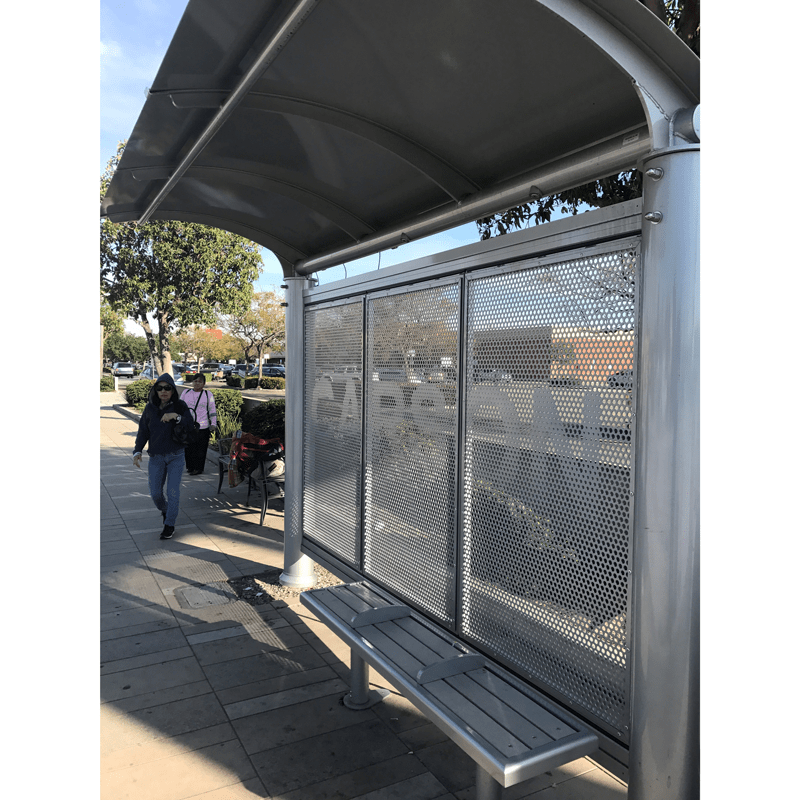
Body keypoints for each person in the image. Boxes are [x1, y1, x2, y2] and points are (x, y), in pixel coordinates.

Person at [132, 373, 193, 540]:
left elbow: (190, 423)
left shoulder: (180, 406)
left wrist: (176, 417)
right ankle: (165, 510)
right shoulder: (150, 408)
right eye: (160, 388)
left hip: (176, 456)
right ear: (155, 391)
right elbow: (143, 431)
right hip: (156, 458)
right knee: (155, 493)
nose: (164, 391)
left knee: (173, 492)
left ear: (173, 390)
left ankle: (169, 524)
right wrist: (137, 451)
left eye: (167, 388)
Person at [183, 373, 217, 475]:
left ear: (204, 384)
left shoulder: (208, 394)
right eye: (195, 381)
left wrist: (213, 423)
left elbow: (212, 410)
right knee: (188, 448)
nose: (197, 383)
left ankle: (198, 468)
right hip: (188, 426)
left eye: (200, 381)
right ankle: (190, 467)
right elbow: (180, 407)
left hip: (203, 426)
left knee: (200, 449)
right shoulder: (186, 392)